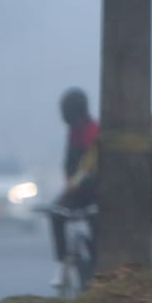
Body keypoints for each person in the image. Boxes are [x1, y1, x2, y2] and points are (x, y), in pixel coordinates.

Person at [50, 88, 100, 288]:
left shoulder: (94, 132)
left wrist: (76, 182)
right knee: (55, 214)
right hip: (76, 191)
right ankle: (62, 261)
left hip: (96, 191)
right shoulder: (73, 133)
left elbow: (90, 165)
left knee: (97, 224)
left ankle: (98, 268)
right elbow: (69, 164)